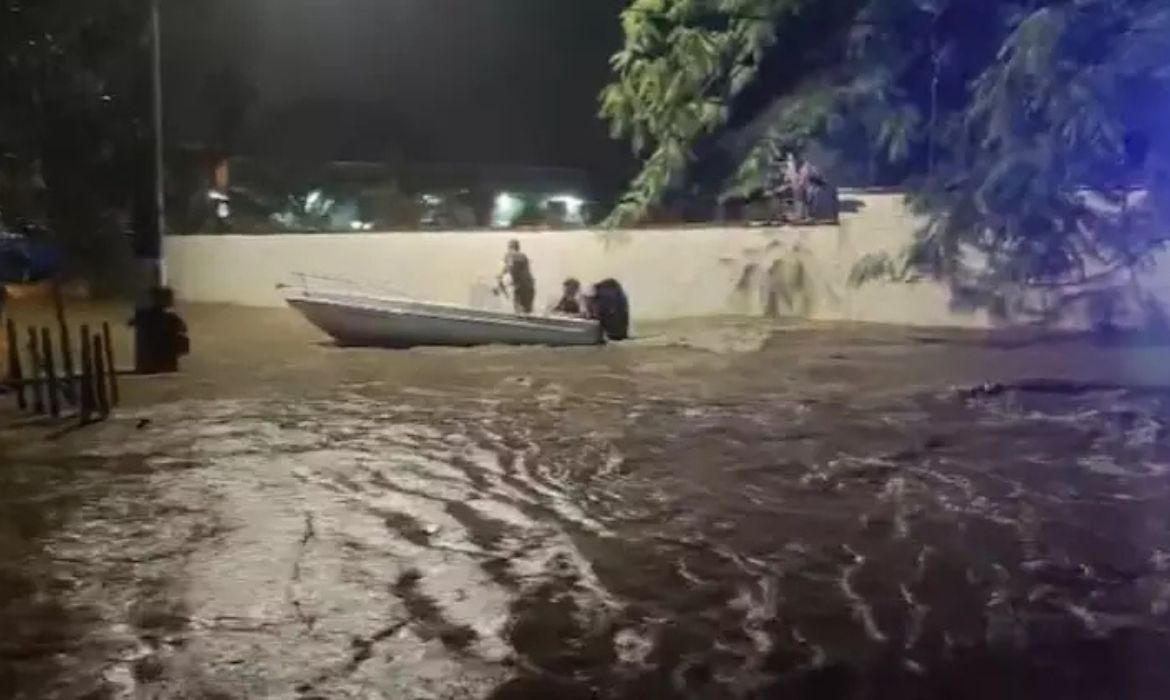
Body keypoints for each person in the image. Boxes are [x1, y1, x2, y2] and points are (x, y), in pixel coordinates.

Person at [500, 239, 535, 314]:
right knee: (526, 313)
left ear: (511, 247)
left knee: (520, 313)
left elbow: (509, 270)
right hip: (528, 287)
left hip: (521, 288)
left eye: (509, 248)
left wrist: (502, 285)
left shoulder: (511, 256)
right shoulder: (523, 256)